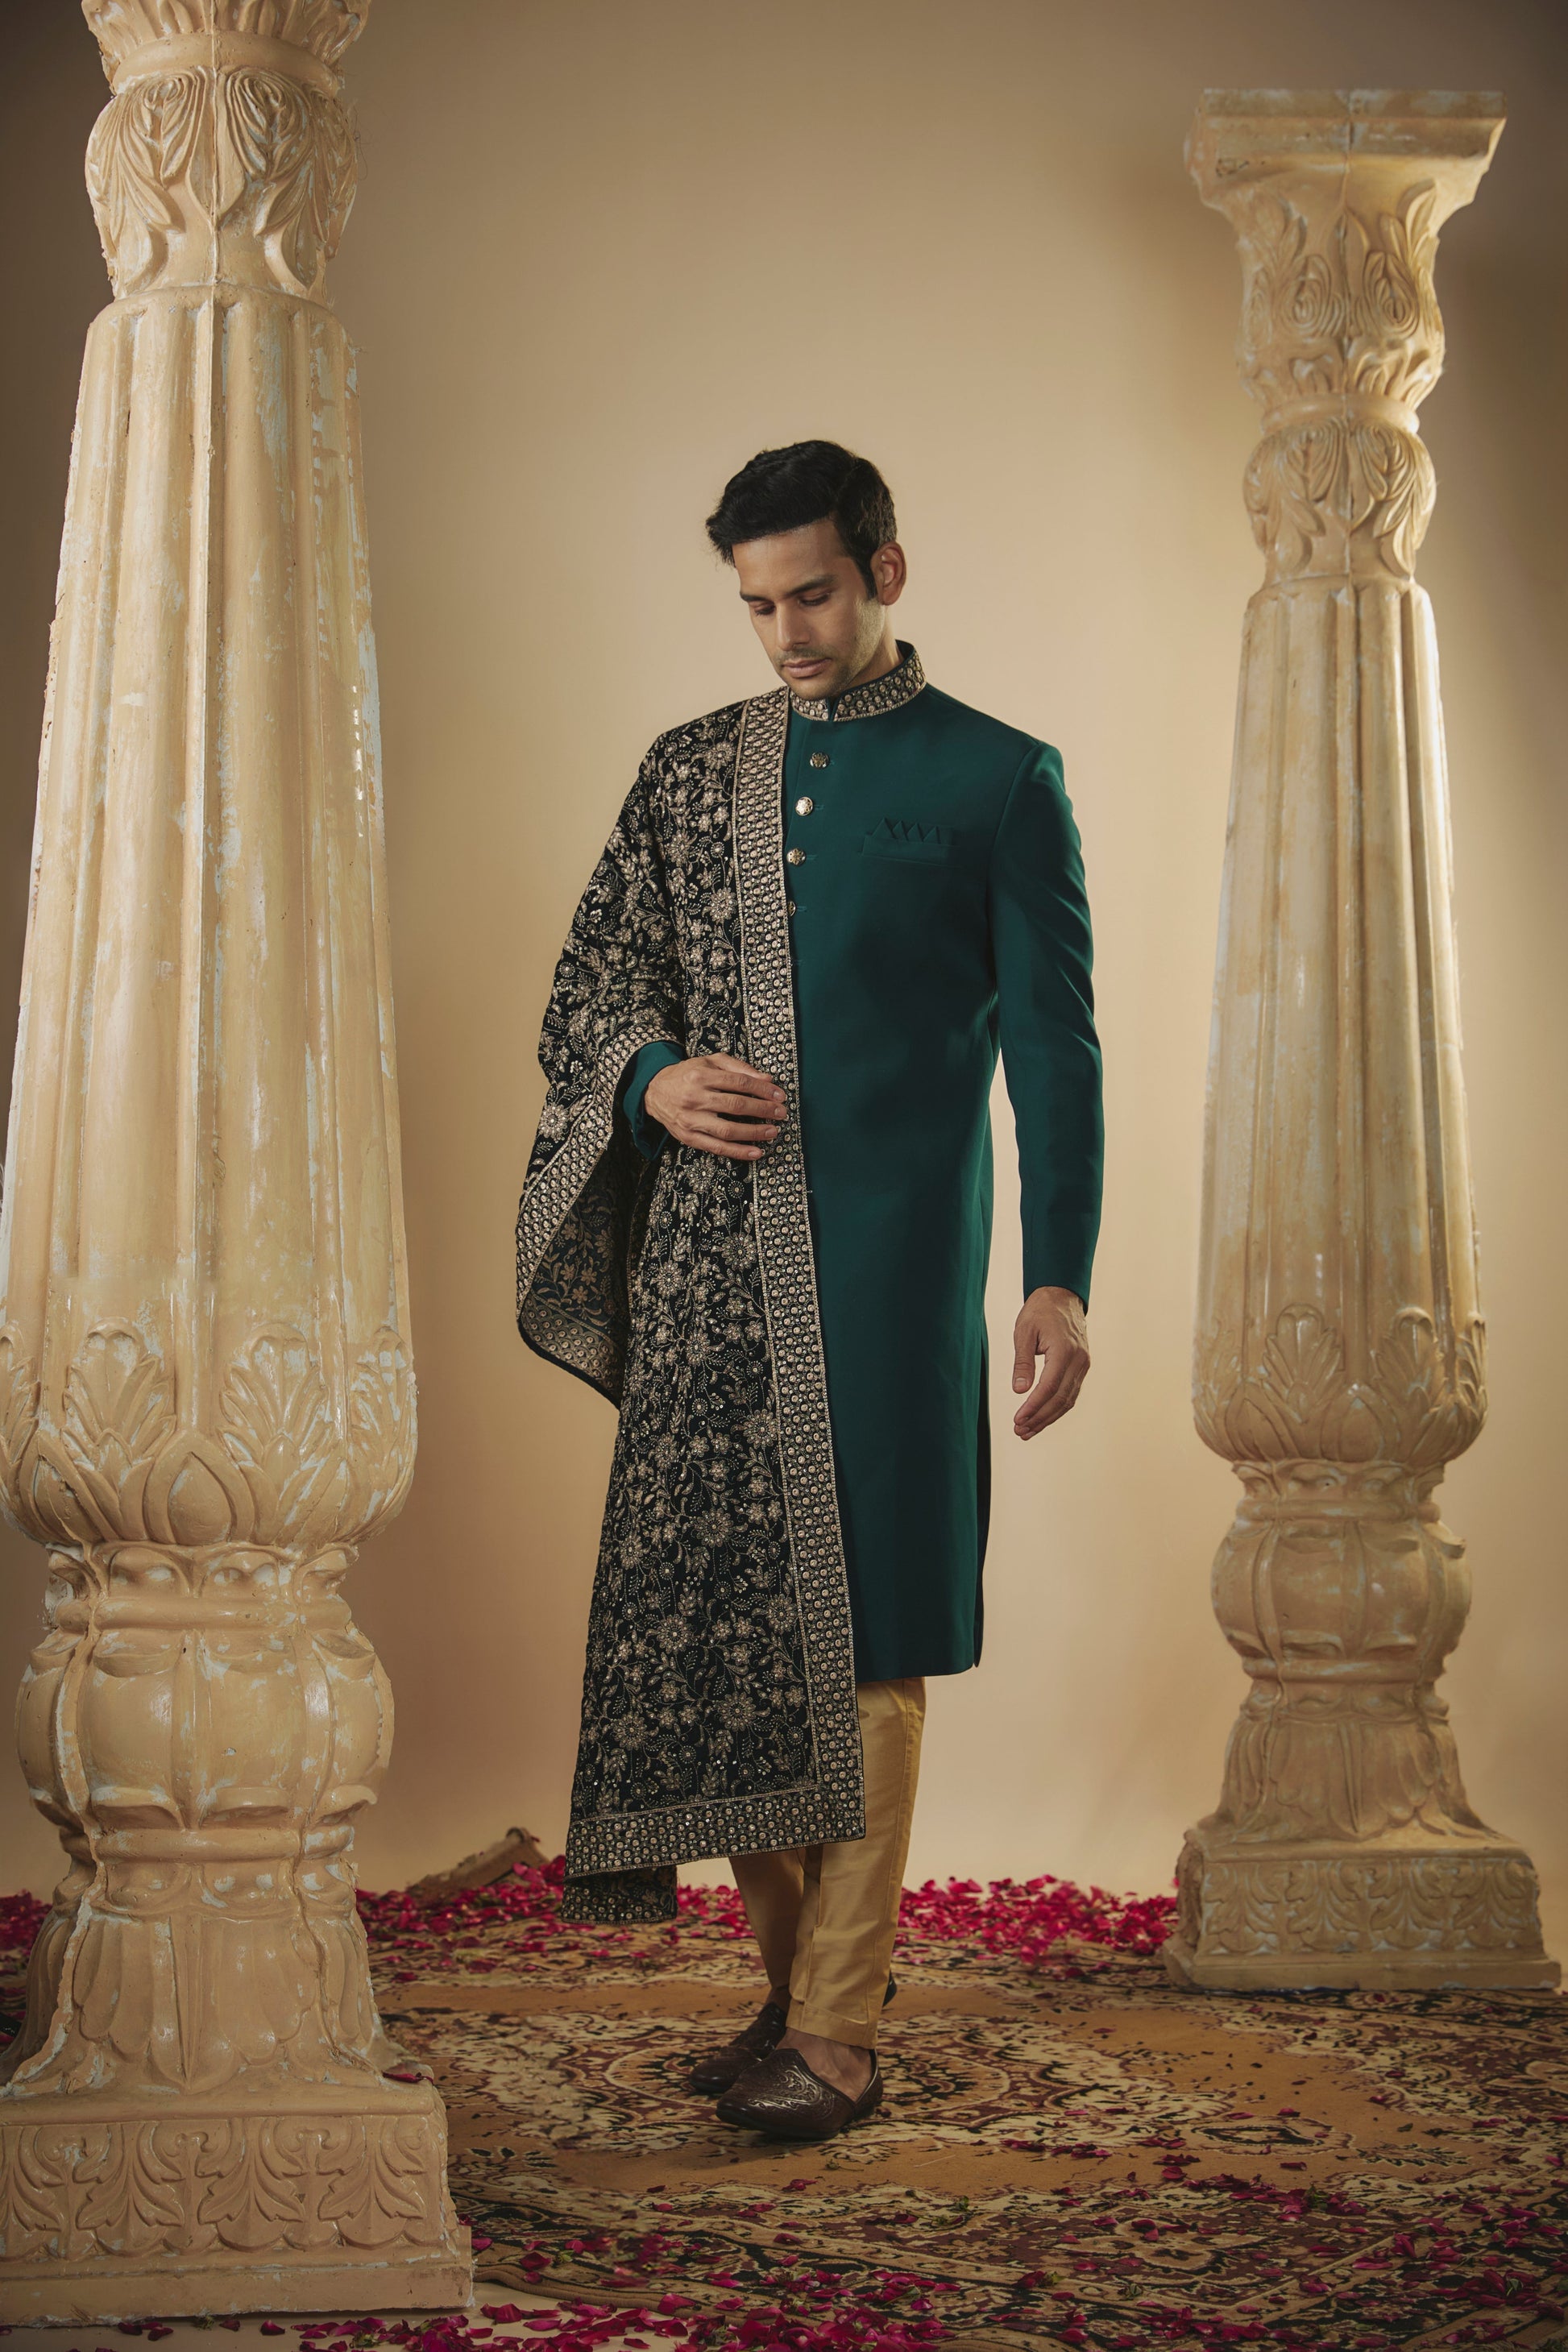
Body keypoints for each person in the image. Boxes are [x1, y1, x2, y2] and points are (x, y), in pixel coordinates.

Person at [516, 441, 1102, 2141]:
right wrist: (651, 1081)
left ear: (885, 573)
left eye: (815, 594)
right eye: (758, 604)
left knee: (868, 1631)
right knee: (717, 1629)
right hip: (710, 1272)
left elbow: (1055, 1052)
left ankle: (838, 2031)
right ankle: (795, 1992)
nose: (786, 632)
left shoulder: (998, 778)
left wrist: (1057, 1275)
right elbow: (591, 987)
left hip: (894, 1275)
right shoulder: (688, 771)